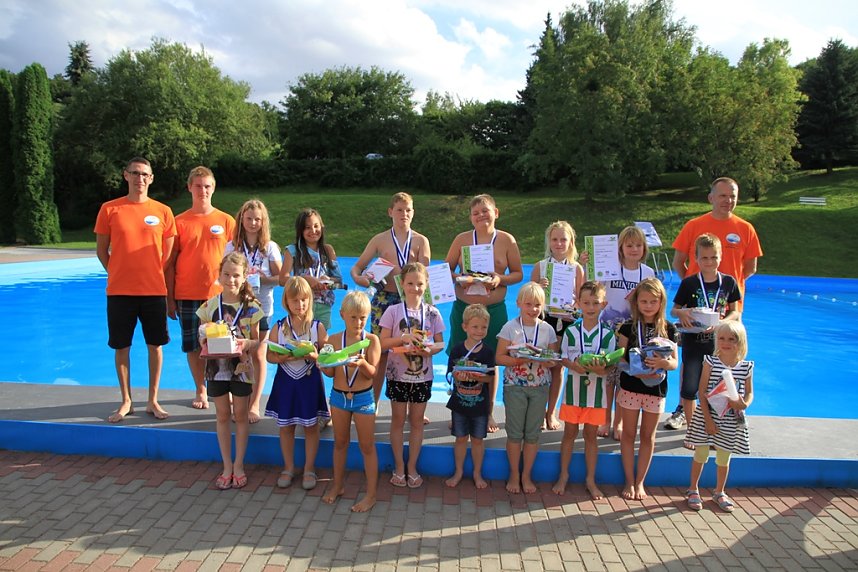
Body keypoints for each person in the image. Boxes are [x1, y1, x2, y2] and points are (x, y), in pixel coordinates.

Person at [665, 177, 763, 430]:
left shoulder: (746, 228)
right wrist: (695, 288)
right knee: (692, 363)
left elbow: (750, 268)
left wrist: (728, 287)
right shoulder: (694, 225)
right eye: (722, 195)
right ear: (711, 198)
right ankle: (682, 410)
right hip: (698, 311)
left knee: (729, 362)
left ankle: (727, 412)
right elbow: (679, 263)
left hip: (729, 312)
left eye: (732, 196)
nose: (727, 200)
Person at [94, 157, 176, 422]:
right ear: (125, 175)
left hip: (153, 290)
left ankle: (153, 400)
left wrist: (149, 272)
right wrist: (118, 271)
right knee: (122, 347)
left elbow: (168, 254)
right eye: (135, 173)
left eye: (145, 174)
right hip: (119, 291)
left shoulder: (163, 211)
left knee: (156, 346)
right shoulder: (110, 209)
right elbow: (101, 250)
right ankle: (126, 400)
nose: (140, 178)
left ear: (151, 179)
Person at [446, 194, 523, 433]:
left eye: (485, 210)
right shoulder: (461, 239)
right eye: (476, 212)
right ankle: (458, 411)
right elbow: (446, 270)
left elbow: (518, 273)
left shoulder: (507, 240)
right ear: (470, 217)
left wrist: (500, 278)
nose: (481, 215)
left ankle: (487, 412)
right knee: (459, 359)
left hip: (494, 310)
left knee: (490, 361)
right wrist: (461, 279)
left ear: (496, 213)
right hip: (464, 309)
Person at [166, 166, 236, 410]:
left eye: (207, 186)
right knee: (193, 347)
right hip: (187, 294)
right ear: (189, 187)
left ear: (213, 188)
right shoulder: (179, 222)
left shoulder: (227, 221)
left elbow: (237, 261)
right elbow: (170, 262)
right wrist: (169, 298)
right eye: (198, 186)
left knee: (221, 346)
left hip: (219, 296)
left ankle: (222, 386)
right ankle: (201, 388)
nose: (203, 190)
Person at [351, 193, 431, 404]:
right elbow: (357, 267)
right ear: (390, 212)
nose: (404, 214)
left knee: (412, 351)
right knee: (380, 352)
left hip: (412, 303)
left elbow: (427, 275)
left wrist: (428, 304)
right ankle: (372, 402)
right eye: (399, 210)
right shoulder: (380, 240)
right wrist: (361, 279)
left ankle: (415, 405)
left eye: (408, 210)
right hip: (384, 302)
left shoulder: (421, 241)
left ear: (413, 213)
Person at [197, 252, 263, 489]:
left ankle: (239, 465)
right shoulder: (210, 306)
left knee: (241, 416)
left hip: (242, 369)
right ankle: (226, 465)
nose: (231, 280)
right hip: (216, 369)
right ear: (219, 275)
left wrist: (246, 344)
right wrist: (205, 337)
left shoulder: (252, 307)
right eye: (226, 274)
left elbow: (257, 341)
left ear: (245, 277)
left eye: (236, 275)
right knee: (223, 415)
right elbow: (200, 335)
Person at [379, 262, 445, 489]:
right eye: (410, 283)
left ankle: (412, 467)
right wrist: (403, 339)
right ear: (402, 285)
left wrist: (428, 349)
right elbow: (382, 343)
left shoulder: (433, 313)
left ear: (426, 285)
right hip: (397, 375)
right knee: (398, 421)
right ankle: (399, 466)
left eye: (419, 284)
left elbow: (440, 344)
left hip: (422, 377)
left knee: (416, 422)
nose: (415, 288)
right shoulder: (393, 311)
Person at [671, 233, 741, 435]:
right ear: (696, 259)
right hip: (693, 342)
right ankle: (693, 430)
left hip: (719, 344)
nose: (709, 262)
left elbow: (735, 311)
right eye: (704, 258)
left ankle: (716, 428)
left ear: (721, 257)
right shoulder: (689, 283)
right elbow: (674, 310)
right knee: (690, 387)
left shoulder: (728, 282)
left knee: (718, 386)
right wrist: (682, 312)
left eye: (713, 257)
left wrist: (721, 323)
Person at [615, 278, 678, 500]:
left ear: (661, 302)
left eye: (653, 301)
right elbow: (619, 359)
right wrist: (634, 368)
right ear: (636, 303)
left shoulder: (669, 328)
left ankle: (640, 481)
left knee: (648, 436)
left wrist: (662, 363)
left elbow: (674, 363)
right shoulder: (627, 327)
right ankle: (628, 481)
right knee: (629, 435)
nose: (648, 305)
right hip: (631, 387)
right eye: (644, 301)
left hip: (656, 390)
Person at [265, 277, 329, 491]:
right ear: (286, 301)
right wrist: (281, 357)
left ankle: (309, 468)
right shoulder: (279, 326)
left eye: (304, 300)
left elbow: (327, 358)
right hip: (286, 383)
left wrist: (314, 355)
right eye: (295, 300)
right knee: (286, 427)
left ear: (310, 300)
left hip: (309, 382)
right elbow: (269, 356)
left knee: (311, 427)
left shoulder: (317, 328)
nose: (300, 304)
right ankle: (289, 467)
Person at [320, 291, 382, 512]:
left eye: (363, 317)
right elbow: (328, 372)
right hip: (338, 397)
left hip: (363, 398)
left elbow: (372, 373)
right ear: (342, 315)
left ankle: (372, 494)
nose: (358, 322)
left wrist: (362, 364)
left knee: (367, 446)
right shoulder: (334, 340)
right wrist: (324, 363)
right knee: (340, 443)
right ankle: (337, 486)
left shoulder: (372, 340)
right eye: (353, 317)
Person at [553, 281, 616, 499]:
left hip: (596, 395)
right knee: (569, 433)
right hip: (573, 391)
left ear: (603, 304)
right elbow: (563, 358)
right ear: (578, 304)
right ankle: (563, 475)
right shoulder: (571, 331)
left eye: (595, 303)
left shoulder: (608, 334)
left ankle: (590, 479)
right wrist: (573, 365)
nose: (590, 307)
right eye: (586, 303)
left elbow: (609, 366)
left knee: (591, 436)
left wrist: (601, 369)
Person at [495, 282, 559, 494]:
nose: (533, 309)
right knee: (514, 433)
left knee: (532, 435)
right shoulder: (510, 327)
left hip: (540, 387)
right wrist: (518, 360)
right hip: (515, 386)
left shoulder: (547, 329)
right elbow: (499, 357)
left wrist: (543, 358)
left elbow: (553, 360)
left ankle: (526, 475)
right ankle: (514, 473)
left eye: (537, 305)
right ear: (519, 303)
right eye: (528, 304)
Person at [684, 321, 753, 513]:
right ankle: (692, 489)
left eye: (732, 339)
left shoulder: (746, 367)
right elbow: (702, 390)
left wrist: (744, 403)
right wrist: (708, 419)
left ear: (740, 342)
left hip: (730, 419)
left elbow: (749, 393)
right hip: (708, 415)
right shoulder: (710, 362)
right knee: (701, 453)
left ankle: (719, 491)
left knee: (724, 456)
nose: (726, 343)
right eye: (722, 338)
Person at [224, 199, 282, 424]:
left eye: (257, 219)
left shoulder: (270, 247)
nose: (253, 223)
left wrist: (260, 278)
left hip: (262, 310)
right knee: (235, 354)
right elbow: (225, 275)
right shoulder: (232, 246)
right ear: (241, 219)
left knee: (258, 354)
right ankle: (236, 400)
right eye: (249, 218)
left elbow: (280, 279)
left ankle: (255, 403)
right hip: (236, 310)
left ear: (263, 221)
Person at [600, 225, 655, 441]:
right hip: (607, 329)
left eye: (638, 245)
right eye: (629, 245)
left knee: (625, 377)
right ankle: (605, 419)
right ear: (620, 247)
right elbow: (593, 286)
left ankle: (618, 422)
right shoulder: (609, 268)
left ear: (644, 248)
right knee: (607, 378)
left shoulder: (648, 273)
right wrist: (589, 265)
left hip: (633, 333)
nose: (634, 249)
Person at [530, 220, 585, 431]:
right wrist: (537, 287)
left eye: (563, 239)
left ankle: (551, 411)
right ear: (549, 242)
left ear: (571, 242)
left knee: (558, 368)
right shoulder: (540, 267)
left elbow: (581, 299)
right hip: (544, 320)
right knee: (541, 365)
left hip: (567, 321)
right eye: (555, 239)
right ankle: (536, 410)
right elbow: (529, 297)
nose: (559, 243)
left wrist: (573, 308)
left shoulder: (576, 268)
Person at [444, 303, 496, 489]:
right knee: (459, 439)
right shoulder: (457, 350)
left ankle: (477, 473)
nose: (479, 331)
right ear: (464, 326)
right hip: (459, 404)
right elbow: (450, 374)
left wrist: (481, 377)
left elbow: (491, 377)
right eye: (475, 326)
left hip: (480, 406)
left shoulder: (488, 352)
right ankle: (458, 471)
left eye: (483, 327)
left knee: (477, 440)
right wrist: (457, 375)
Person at [280, 208, 342, 330]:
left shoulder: (328, 250)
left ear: (322, 227)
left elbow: (339, 282)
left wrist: (327, 281)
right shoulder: (292, 250)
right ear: (300, 230)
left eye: (316, 226)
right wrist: (304, 280)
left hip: (324, 306)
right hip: (301, 305)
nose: (313, 231)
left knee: (321, 342)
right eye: (307, 227)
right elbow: (282, 280)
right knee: (302, 340)